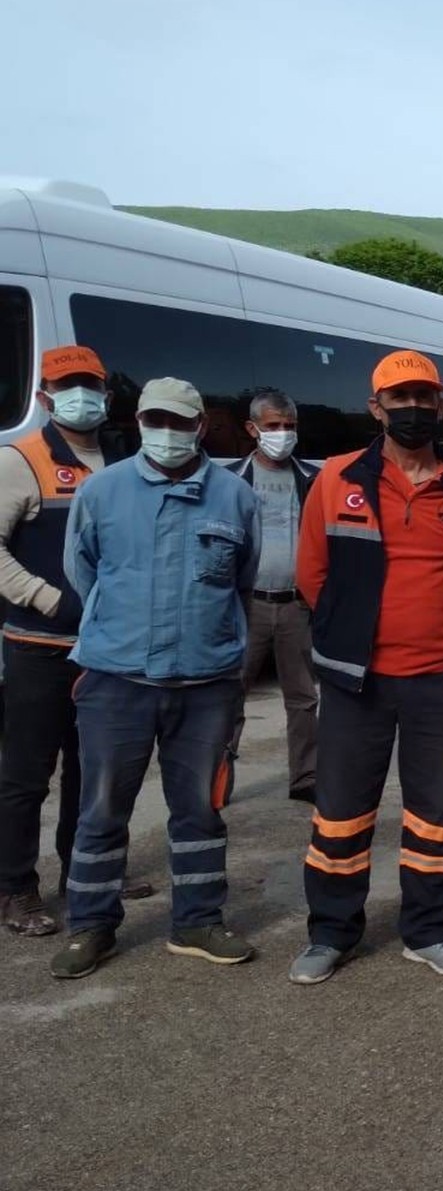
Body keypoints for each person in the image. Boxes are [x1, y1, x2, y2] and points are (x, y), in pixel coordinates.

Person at [290, 350, 443, 985]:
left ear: (441, 406)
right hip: (358, 682)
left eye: (424, 398)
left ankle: (430, 930)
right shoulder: (337, 478)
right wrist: (354, 638)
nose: (413, 409)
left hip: (442, 679)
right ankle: (331, 933)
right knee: (342, 811)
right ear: (375, 408)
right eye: (398, 399)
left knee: (438, 815)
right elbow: (312, 575)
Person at [51, 377, 261, 978]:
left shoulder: (236, 498)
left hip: (206, 684)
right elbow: (83, 571)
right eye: (155, 420)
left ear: (200, 427)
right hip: (117, 680)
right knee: (100, 808)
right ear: (138, 422)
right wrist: (126, 627)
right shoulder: (103, 492)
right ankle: (91, 926)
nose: (166, 433)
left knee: (200, 808)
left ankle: (196, 921)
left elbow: (241, 582)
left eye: (179, 422)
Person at [0, 346, 144, 936]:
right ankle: (16, 890)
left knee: (93, 773)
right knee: (26, 777)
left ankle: (83, 874)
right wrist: (46, 597)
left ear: (106, 396)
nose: (79, 395)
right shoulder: (22, 460)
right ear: (44, 397)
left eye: (89, 385)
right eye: (66, 385)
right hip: (40, 645)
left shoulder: (121, 459)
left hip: (106, 652)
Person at [225, 390, 320, 805]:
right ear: (252, 429)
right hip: (247, 606)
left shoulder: (312, 480)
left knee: (302, 698)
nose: (282, 434)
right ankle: (216, 778)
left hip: (297, 605)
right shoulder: (230, 480)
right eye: (273, 426)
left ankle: (307, 778)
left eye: (289, 426)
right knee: (229, 694)